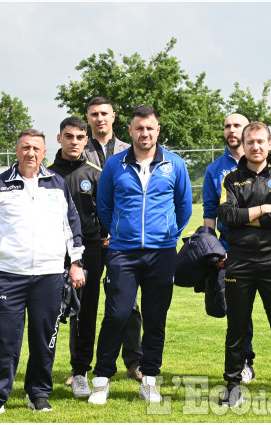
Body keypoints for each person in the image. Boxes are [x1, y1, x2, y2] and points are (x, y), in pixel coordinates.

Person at [0, 129, 85, 419]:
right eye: (25, 147)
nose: (31, 153)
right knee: (3, 338)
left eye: (36, 148)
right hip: (9, 275)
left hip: (49, 275)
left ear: (45, 151)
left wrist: (75, 263)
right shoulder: (0, 185)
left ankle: (38, 393)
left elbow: (72, 228)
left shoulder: (57, 184)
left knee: (44, 338)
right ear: (16, 149)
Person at [88, 105, 192, 405]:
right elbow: (104, 205)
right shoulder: (114, 164)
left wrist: (170, 234)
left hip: (162, 253)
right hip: (123, 252)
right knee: (117, 314)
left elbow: (183, 206)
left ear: (157, 130)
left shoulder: (175, 164)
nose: (144, 133)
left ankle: (149, 379)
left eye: (150, 128)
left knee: (155, 318)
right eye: (139, 128)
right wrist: (119, 232)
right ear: (130, 131)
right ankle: (102, 378)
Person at [218, 122, 271, 408]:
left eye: (261, 142)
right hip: (239, 261)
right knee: (236, 327)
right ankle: (232, 385)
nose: (255, 147)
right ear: (243, 144)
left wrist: (246, 216)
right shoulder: (231, 178)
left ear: (269, 144)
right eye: (250, 142)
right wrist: (263, 209)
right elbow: (226, 216)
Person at [81, 96, 144, 382]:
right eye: (94, 114)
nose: (100, 118)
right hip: (89, 240)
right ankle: (80, 367)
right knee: (84, 303)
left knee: (128, 304)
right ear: (88, 117)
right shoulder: (79, 149)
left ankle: (134, 362)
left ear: (114, 116)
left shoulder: (130, 150)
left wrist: (114, 232)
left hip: (122, 240)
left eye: (104, 113)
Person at [47, 117, 106, 398]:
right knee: (47, 312)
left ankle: (80, 371)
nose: (74, 142)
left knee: (86, 312)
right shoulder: (45, 175)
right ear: (59, 138)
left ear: (86, 140)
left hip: (90, 252)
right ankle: (42, 370)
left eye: (80, 137)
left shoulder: (97, 173)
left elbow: (107, 211)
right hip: (52, 252)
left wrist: (105, 234)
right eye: (68, 136)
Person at [202, 113, 262, 384]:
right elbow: (209, 211)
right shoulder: (215, 169)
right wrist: (212, 248)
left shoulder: (265, 165)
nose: (231, 130)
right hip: (231, 248)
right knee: (239, 311)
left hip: (264, 247)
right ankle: (244, 363)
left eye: (237, 125)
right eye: (227, 125)